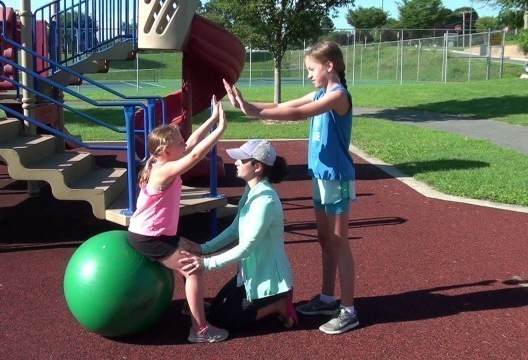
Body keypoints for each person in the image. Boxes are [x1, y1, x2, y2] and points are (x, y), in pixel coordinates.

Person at [222, 40, 359, 335]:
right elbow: (284, 106)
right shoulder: (321, 92)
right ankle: (326, 299)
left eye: (312, 68)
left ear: (329, 65)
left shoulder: (338, 96)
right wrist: (249, 107)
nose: (308, 74)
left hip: (337, 178)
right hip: (321, 176)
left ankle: (348, 310)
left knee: (339, 243)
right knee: (324, 239)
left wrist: (256, 113)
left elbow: (300, 114)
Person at [127, 96, 229, 343]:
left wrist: (212, 120)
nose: (184, 144)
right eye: (179, 143)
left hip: (159, 234)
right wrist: (220, 131)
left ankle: (189, 305)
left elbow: (191, 145)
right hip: (150, 238)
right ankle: (200, 330)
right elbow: (193, 157)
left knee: (194, 252)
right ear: (166, 151)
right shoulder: (163, 170)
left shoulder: (159, 160)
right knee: (194, 270)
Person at [178, 139, 297, 331]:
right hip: (251, 274)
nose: (235, 163)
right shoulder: (250, 191)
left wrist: (206, 263)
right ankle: (267, 302)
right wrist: (203, 248)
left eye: (242, 160)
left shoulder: (265, 200)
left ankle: (279, 304)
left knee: (222, 319)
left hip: (270, 280)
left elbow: (246, 248)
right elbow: (235, 229)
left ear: (257, 167)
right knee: (216, 309)